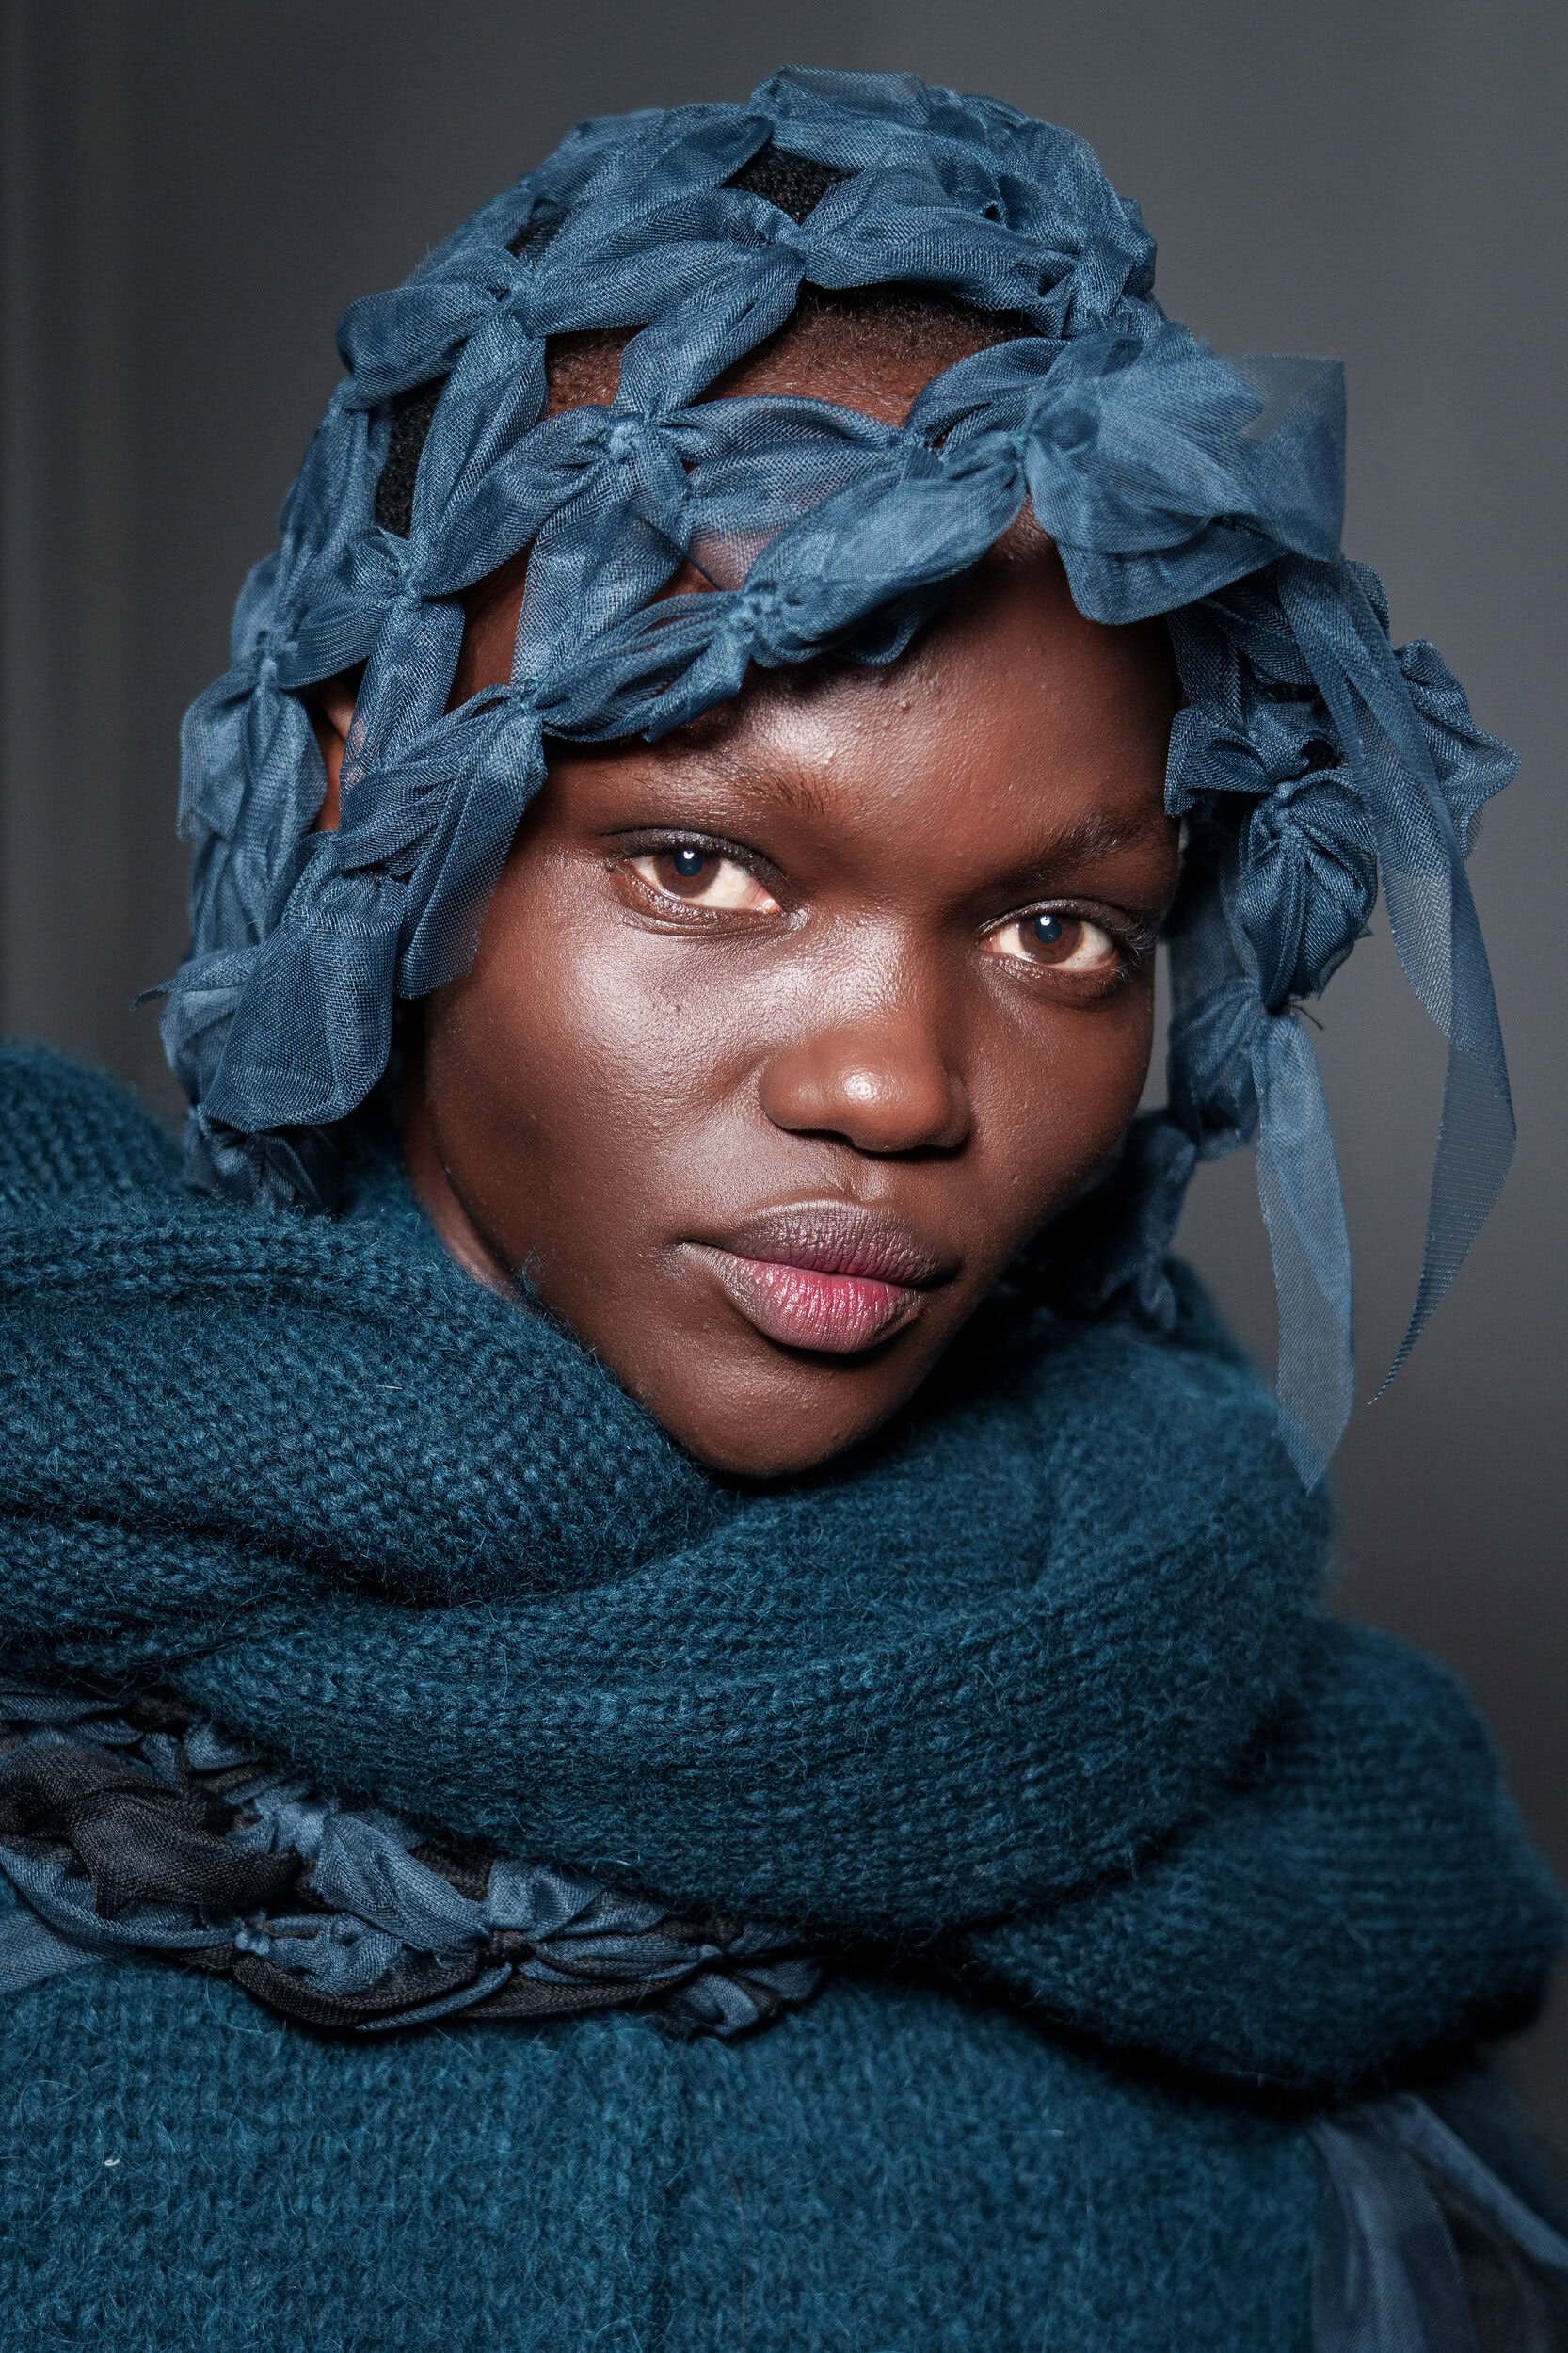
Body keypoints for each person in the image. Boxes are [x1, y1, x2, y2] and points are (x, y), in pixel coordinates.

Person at [0, 65, 1563, 2350]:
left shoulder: (1307, 1853)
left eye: (1057, 932)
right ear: (375, 815)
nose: (893, 1085)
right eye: (704, 866)